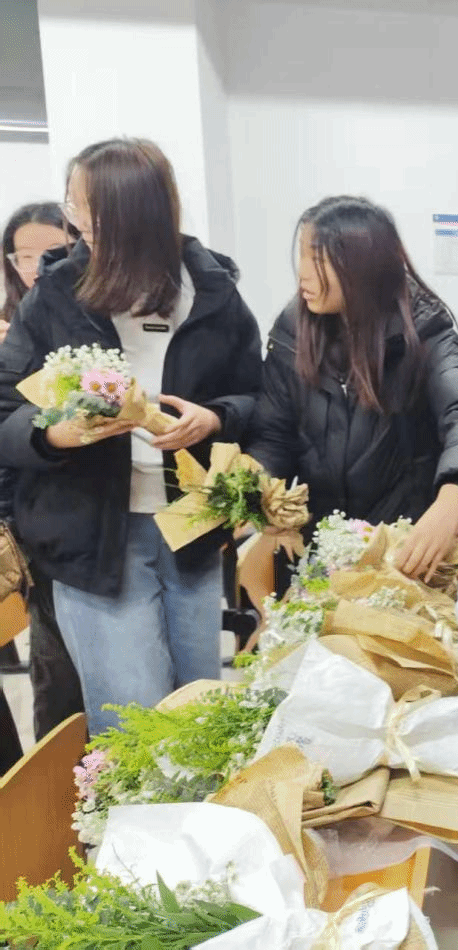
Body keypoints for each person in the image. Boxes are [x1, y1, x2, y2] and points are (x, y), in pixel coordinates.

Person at [0, 138, 262, 736]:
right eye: (72, 204)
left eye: (84, 206)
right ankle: (132, 802)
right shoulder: (57, 295)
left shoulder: (212, 292)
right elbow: (5, 412)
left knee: (195, 710)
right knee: (135, 717)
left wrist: (214, 418)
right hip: (94, 535)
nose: (74, 220)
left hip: (190, 530)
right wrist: (57, 435)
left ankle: (191, 802)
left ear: (131, 210)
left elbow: (260, 397)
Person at [245, 195, 458, 581]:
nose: (303, 274)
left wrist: (451, 499)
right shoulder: (294, 332)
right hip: (325, 554)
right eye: (301, 255)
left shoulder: (422, 328)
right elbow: (272, 435)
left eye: (318, 259)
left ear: (361, 266)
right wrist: (255, 494)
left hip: (406, 554)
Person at [0, 202, 85, 738]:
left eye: (49, 252)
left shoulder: (79, 315)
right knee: (55, 676)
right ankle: (59, 779)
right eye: (21, 256)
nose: (34, 267)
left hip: (76, 514)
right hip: (22, 523)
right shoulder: (11, 324)